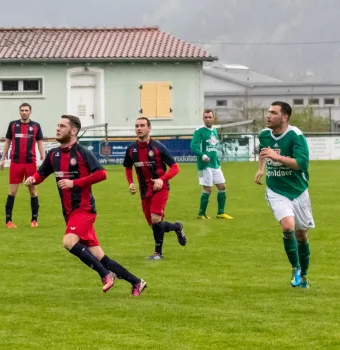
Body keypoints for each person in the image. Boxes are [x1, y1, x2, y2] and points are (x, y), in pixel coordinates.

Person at [25, 115, 147, 296]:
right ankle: (137, 282)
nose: (57, 128)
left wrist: (74, 183)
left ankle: (105, 275)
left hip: (84, 209)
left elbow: (101, 174)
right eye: (57, 125)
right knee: (99, 256)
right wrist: (32, 179)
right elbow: (41, 174)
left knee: (68, 242)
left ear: (73, 131)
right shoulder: (54, 155)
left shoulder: (82, 153)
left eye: (62, 126)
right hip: (69, 213)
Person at [255, 101, 313, 289]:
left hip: (298, 190)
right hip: (276, 190)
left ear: (284, 117)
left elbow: (301, 164)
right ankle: (295, 268)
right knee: (288, 226)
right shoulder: (264, 134)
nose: (268, 115)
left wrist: (277, 157)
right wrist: (261, 169)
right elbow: (264, 153)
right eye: (268, 111)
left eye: (273, 112)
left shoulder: (295, 136)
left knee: (301, 235)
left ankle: (304, 275)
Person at [123, 117, 186, 260]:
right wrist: (131, 183)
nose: (139, 128)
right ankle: (177, 227)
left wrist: (161, 180)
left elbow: (175, 168)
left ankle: (158, 254)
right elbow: (128, 167)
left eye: (142, 125)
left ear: (149, 128)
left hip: (160, 189)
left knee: (156, 219)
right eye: (137, 125)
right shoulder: (131, 149)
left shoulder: (158, 147)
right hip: (145, 191)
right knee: (156, 225)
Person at [0, 103, 45, 228]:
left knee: (33, 190)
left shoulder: (36, 126)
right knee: (13, 191)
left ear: (30, 112)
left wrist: (43, 156)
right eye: (22, 110)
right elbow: (8, 142)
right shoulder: (13, 125)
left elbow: (40, 142)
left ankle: (34, 220)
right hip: (16, 162)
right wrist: (2, 159)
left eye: (26, 110)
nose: (24, 112)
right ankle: (8, 221)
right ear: (19, 112)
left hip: (30, 162)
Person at [190, 109, 233, 220]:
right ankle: (201, 214)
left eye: (210, 117)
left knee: (222, 186)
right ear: (203, 118)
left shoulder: (214, 131)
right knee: (208, 189)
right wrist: (202, 155)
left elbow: (214, 148)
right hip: (204, 165)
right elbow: (193, 146)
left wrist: (217, 162)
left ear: (214, 118)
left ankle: (220, 213)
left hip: (215, 164)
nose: (208, 119)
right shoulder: (199, 131)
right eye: (206, 117)